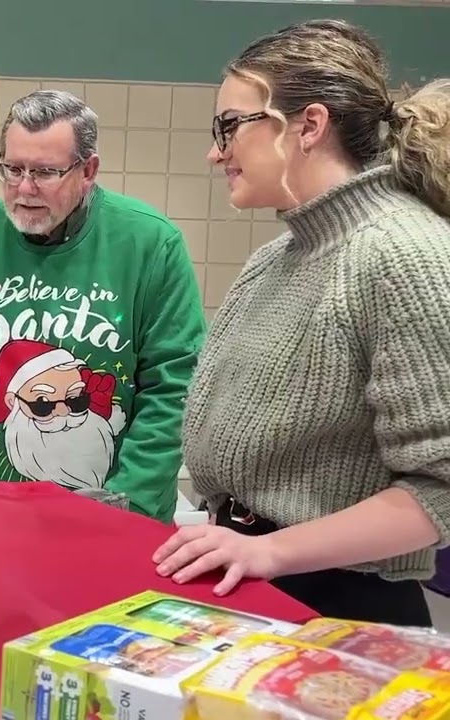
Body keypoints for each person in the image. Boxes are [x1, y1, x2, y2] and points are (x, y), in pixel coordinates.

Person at [151, 19, 450, 626]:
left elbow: (441, 485)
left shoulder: (403, 254)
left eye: (230, 126)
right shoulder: (274, 260)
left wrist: (270, 551)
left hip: (342, 608)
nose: (216, 152)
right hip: (253, 576)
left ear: (310, 125)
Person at [0, 90, 207, 524]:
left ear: (88, 170)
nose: (24, 188)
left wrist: (127, 508)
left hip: (117, 519)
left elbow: (174, 385)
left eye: (45, 172)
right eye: (13, 169)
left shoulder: (151, 244)